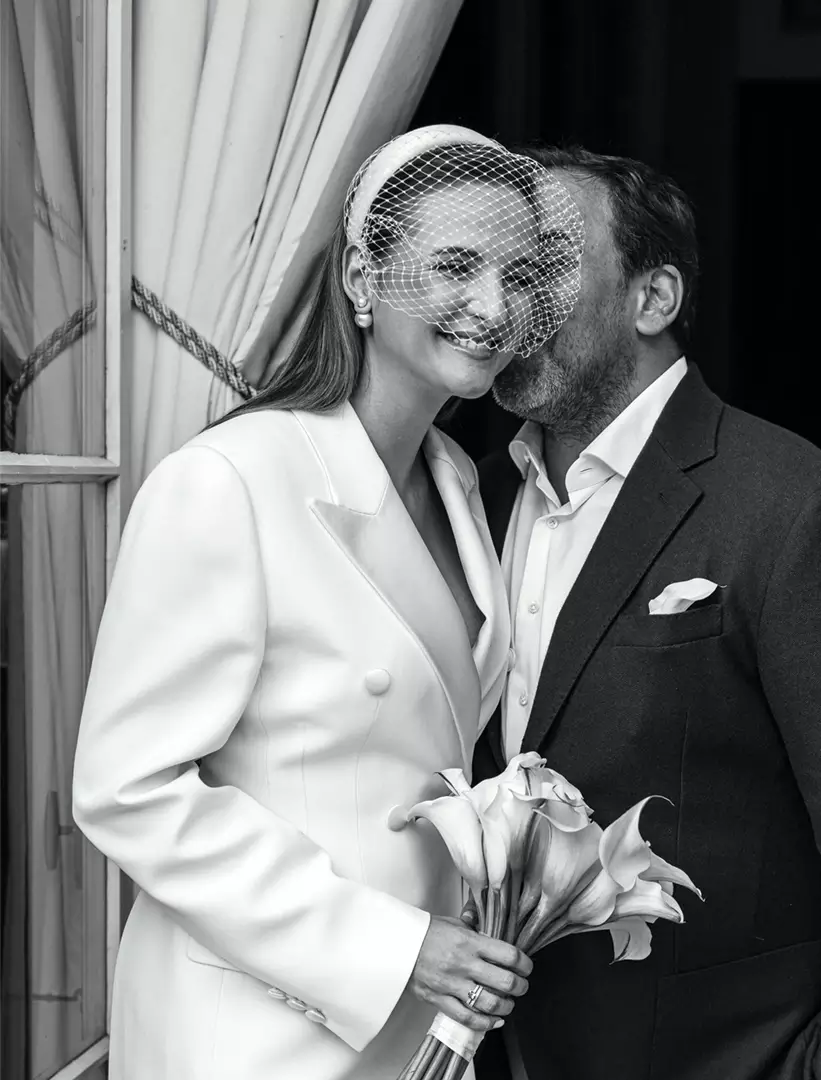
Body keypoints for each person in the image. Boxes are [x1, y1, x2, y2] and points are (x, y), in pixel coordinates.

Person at [70, 125, 584, 1080]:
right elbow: (125, 790)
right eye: (457, 267)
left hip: (417, 1029)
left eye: (518, 276)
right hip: (256, 1029)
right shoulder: (229, 481)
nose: (492, 305)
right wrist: (393, 948)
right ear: (361, 276)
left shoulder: (463, 486)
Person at [472, 147, 821, 1080]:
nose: (504, 303)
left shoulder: (799, 512)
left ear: (654, 299)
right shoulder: (471, 498)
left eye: (544, 268)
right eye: (494, 269)